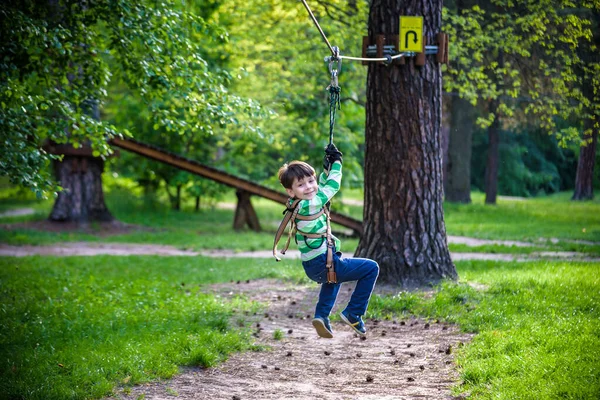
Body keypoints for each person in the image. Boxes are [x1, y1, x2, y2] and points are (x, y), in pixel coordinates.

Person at [276, 144, 379, 338]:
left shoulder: (296, 204)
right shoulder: (311, 204)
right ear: (291, 191)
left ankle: (321, 316)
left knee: (333, 279)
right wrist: (337, 163)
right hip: (323, 261)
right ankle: (354, 312)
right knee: (371, 268)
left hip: (313, 266)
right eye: (301, 185)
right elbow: (332, 187)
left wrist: (326, 168)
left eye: (310, 180)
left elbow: (321, 188)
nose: (308, 187)